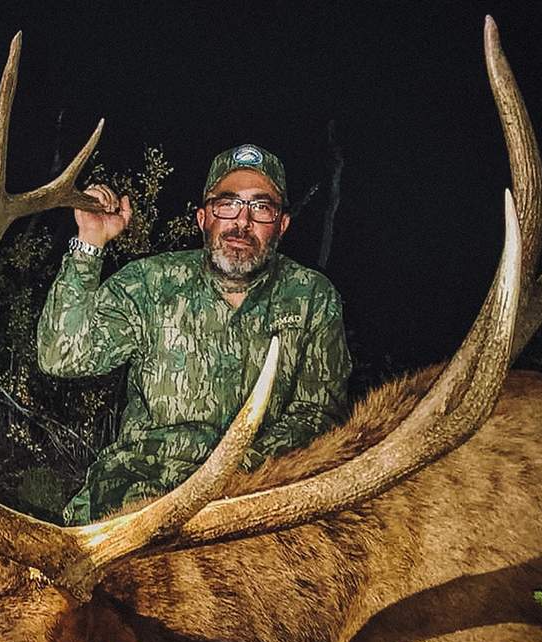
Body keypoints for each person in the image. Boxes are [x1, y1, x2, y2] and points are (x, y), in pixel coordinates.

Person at [37, 144, 351, 522]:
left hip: (254, 495)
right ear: (204, 218)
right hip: (138, 494)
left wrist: (232, 473)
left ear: (281, 225)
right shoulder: (149, 284)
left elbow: (317, 414)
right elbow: (60, 355)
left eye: (261, 207)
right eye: (227, 203)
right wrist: (90, 243)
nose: (242, 222)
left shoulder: (312, 296)